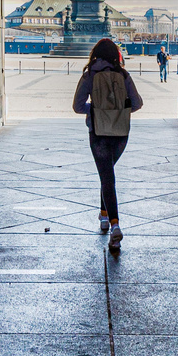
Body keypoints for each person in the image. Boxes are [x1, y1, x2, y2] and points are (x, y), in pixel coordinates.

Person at [71, 38, 143, 249]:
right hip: (120, 133)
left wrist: (95, 111)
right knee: (107, 174)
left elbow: (77, 106)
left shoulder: (89, 76)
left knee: (107, 177)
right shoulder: (123, 75)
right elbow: (137, 103)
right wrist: (119, 110)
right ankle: (104, 215)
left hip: (99, 133)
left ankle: (115, 225)